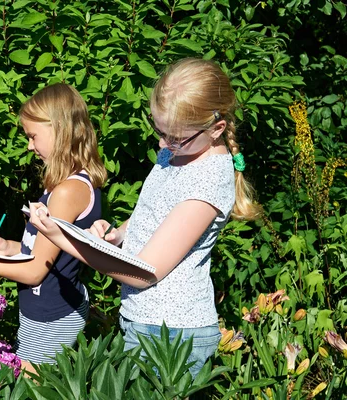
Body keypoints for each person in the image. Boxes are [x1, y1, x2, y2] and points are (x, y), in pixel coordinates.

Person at [28, 58, 261, 377]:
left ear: (217, 128)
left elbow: (143, 274)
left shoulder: (207, 183)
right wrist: (116, 234)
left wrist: (63, 239)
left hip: (174, 337)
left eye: (175, 137)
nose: (163, 145)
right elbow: (153, 212)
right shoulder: (178, 151)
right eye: (159, 131)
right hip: (145, 322)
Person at [0, 83, 107, 373]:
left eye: (33, 136)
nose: (29, 146)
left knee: (32, 389)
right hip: (42, 311)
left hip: (53, 316)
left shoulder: (68, 192)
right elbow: (42, 252)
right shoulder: (60, 186)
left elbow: (34, 271)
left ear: (60, 129)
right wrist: (7, 248)